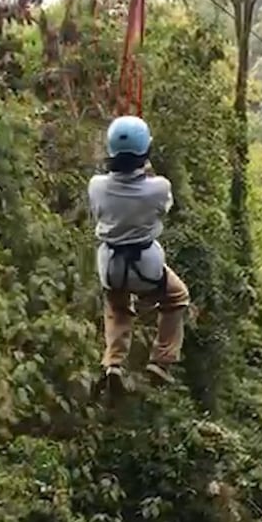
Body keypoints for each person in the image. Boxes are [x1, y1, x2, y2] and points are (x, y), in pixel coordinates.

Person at [87, 115, 191, 392]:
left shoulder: (96, 185)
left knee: (117, 309)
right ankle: (161, 359)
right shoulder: (159, 188)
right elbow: (164, 208)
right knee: (177, 297)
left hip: (110, 266)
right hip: (146, 267)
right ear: (146, 151)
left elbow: (99, 210)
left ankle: (114, 363)